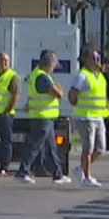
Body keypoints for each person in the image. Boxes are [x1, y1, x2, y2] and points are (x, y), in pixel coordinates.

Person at [17, 49, 71, 185]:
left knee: (51, 147)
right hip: (42, 117)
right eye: (53, 66)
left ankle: (57, 174)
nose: (53, 69)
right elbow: (57, 93)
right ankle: (23, 171)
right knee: (35, 145)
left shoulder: (36, 74)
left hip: (43, 117)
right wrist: (60, 89)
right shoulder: (43, 77)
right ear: (48, 64)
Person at [68, 50, 109, 187]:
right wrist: (77, 104)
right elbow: (72, 94)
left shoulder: (100, 76)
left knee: (101, 148)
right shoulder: (82, 76)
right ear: (86, 60)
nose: (97, 60)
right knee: (88, 148)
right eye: (94, 58)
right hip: (86, 117)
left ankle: (81, 168)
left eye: (98, 57)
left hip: (98, 116)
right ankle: (87, 177)